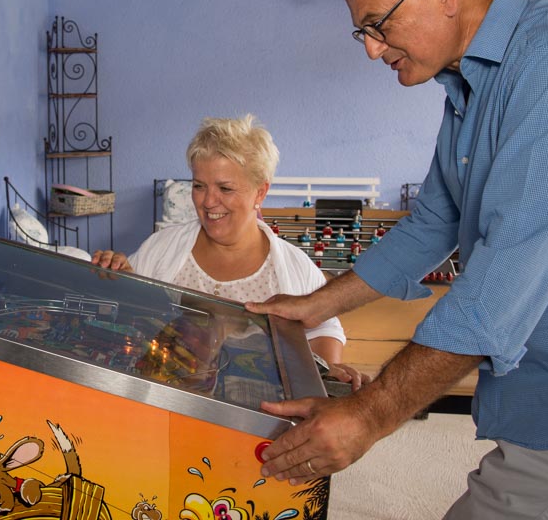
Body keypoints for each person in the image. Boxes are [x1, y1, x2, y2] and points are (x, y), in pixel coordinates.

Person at [246, 0, 548, 519]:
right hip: (545, 378)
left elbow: (500, 284)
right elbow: (434, 220)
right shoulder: (468, 86)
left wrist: (369, 414)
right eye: (363, 34)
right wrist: (315, 305)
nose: (373, 48)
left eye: (379, 25)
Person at [92, 114, 364, 388]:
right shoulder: (163, 247)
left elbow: (324, 328)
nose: (209, 201)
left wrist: (329, 371)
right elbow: (131, 313)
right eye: (199, 186)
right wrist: (118, 276)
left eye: (225, 188)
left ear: (260, 192)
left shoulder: (293, 267)